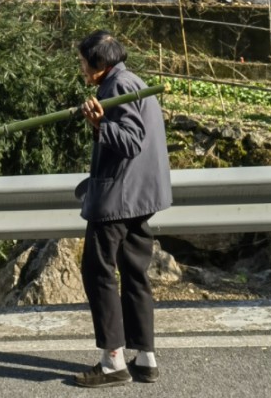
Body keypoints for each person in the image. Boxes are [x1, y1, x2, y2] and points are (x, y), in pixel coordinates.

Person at [72, 30, 172, 388]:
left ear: (100, 64)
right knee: (134, 275)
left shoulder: (116, 87)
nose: (81, 68)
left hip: (117, 199)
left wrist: (99, 124)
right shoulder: (133, 79)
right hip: (139, 198)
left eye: (84, 62)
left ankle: (112, 361)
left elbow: (129, 141)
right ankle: (145, 358)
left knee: (97, 274)